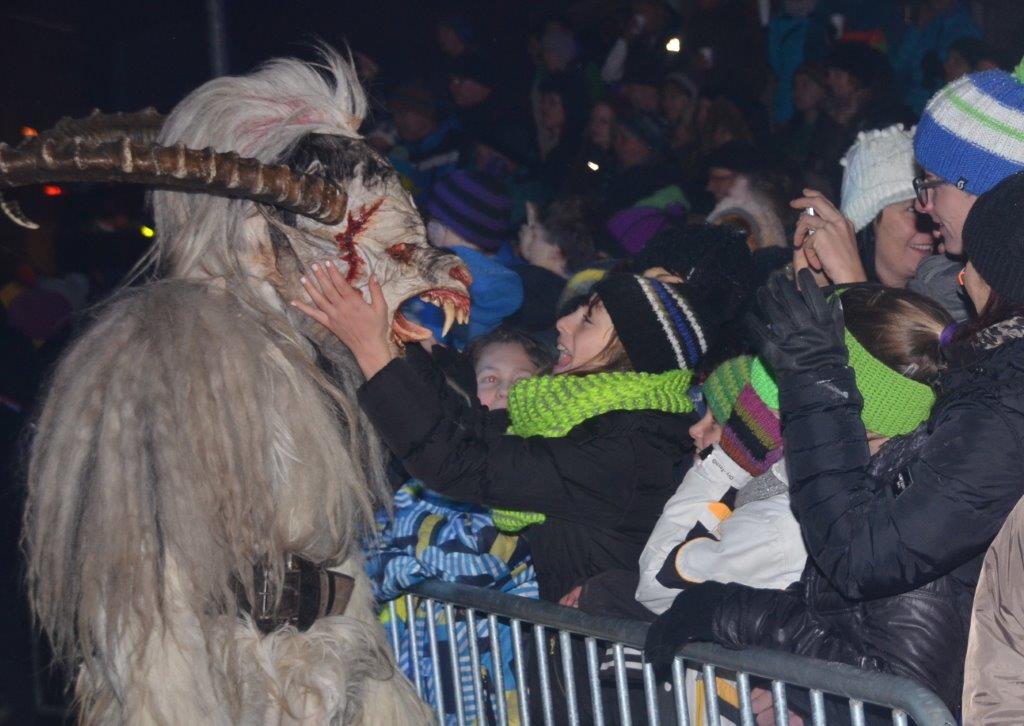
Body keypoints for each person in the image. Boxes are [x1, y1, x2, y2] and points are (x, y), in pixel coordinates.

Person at [648, 275, 1004, 721]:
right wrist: (792, 684)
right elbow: (843, 617)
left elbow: (902, 692)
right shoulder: (885, 483)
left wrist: (737, 615)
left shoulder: (915, 506)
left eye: (806, 381)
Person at [295, 266, 717, 605]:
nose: (563, 322)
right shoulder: (604, 423)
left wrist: (371, 350)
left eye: (588, 319)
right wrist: (395, 343)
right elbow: (474, 428)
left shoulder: (627, 450)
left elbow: (459, 462)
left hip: (613, 675)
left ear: (632, 355)